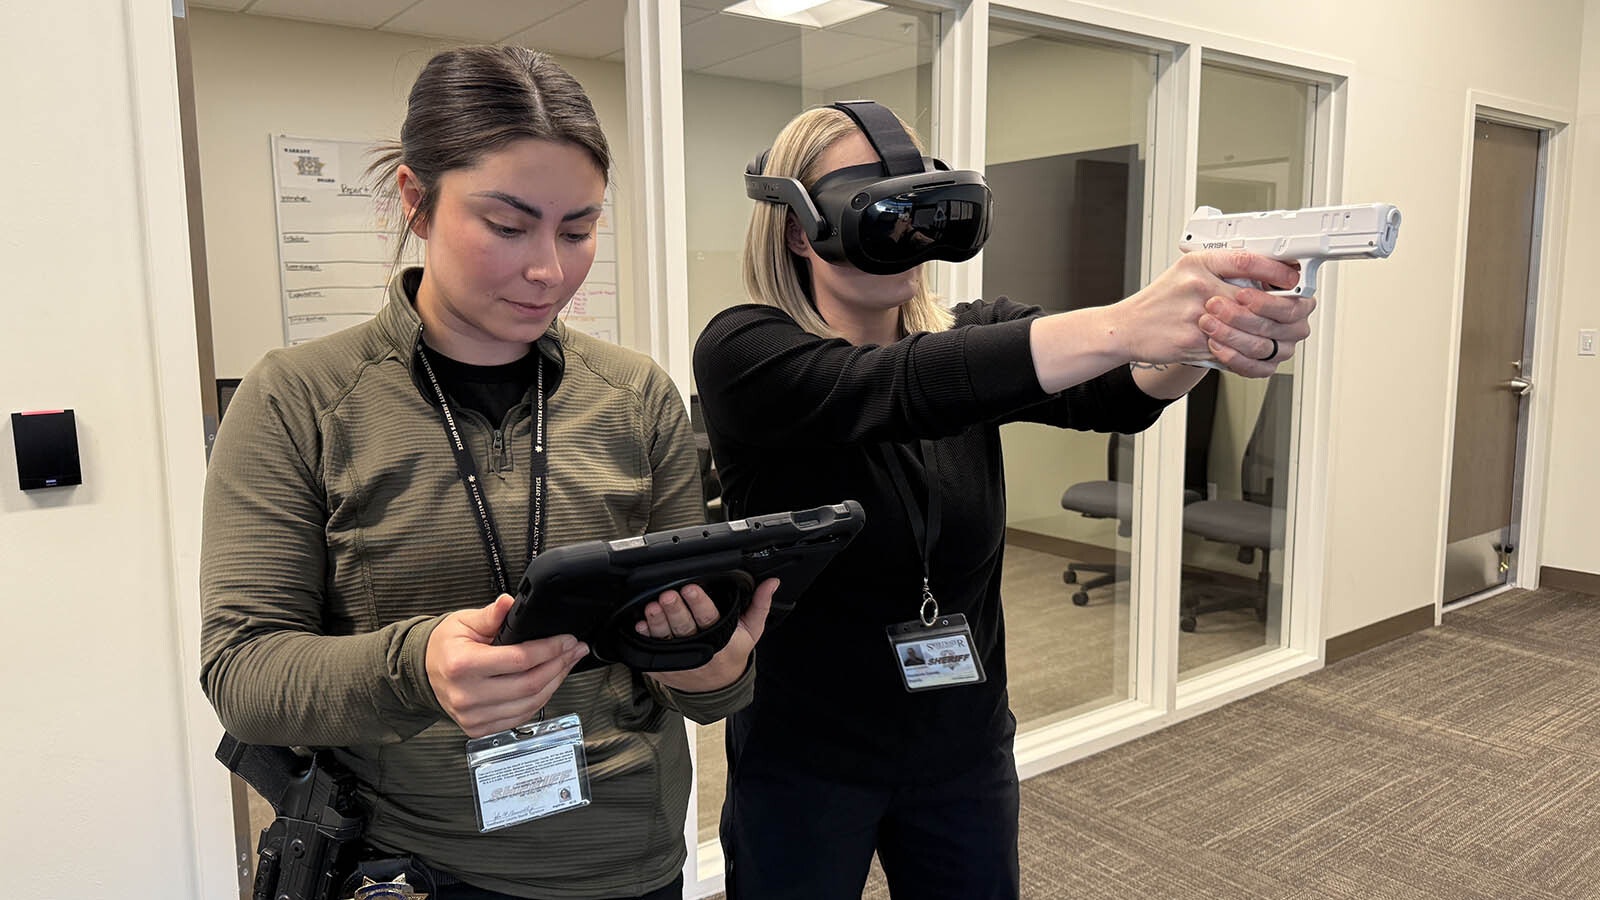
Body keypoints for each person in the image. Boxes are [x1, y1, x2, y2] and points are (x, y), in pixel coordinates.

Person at [692, 100, 1313, 899]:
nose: (912, 238)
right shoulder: (747, 352)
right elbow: (891, 389)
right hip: (808, 750)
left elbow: (1117, 396)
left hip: (961, 741)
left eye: (923, 206)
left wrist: (1203, 334)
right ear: (796, 227)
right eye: (881, 212)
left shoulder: (968, 333)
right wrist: (1127, 322)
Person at [200, 46, 771, 900]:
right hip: (417, 864)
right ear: (414, 200)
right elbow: (242, 674)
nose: (550, 268)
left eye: (578, 230)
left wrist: (711, 666)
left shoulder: (636, 395)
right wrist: (417, 667)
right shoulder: (300, 398)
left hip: (631, 858)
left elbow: (702, 694)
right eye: (508, 226)